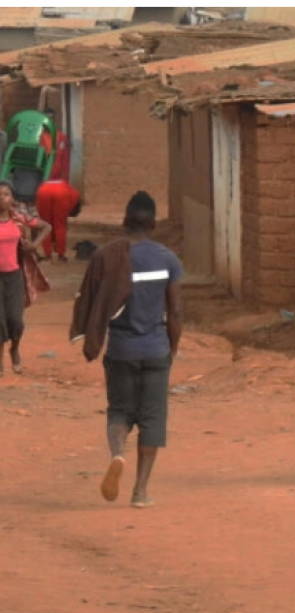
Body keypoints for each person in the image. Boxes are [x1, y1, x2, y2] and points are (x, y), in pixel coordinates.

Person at [69, 191, 183, 508]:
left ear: (124, 221)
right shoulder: (167, 259)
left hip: (120, 348)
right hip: (155, 347)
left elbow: (90, 298)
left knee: (119, 410)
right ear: (153, 224)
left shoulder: (106, 256)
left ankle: (118, 454)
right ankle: (141, 491)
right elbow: (175, 312)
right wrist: (172, 349)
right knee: (152, 419)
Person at [0, 179, 51, 376]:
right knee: (0, 321)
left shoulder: (19, 218)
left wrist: (34, 245)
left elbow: (46, 226)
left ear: (12, 199)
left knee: (16, 320)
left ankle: (15, 348)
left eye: (6, 194)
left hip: (14, 275)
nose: (2, 198)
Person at [35, 177, 81, 263]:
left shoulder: (70, 189)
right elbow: (66, 214)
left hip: (43, 191)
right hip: (62, 193)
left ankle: (48, 255)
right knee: (60, 225)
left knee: (45, 224)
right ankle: (61, 255)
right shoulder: (74, 193)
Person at [41, 108, 71, 182]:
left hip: (58, 180)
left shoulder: (62, 138)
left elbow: (65, 162)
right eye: (47, 119)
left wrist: (65, 180)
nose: (49, 121)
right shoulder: (39, 138)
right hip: (42, 180)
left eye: (52, 118)